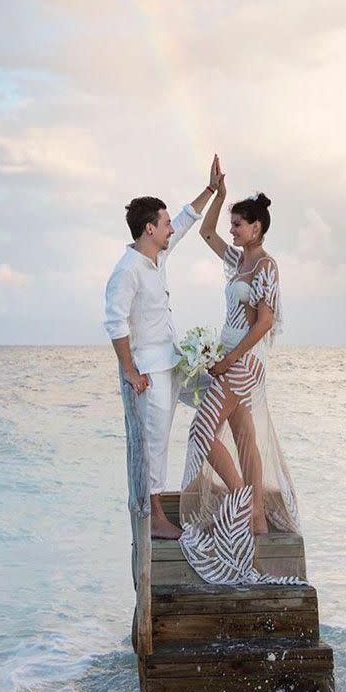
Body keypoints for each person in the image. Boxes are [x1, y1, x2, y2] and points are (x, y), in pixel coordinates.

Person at [178, 170, 302, 584]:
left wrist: (229, 357)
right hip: (227, 356)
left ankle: (241, 499)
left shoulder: (266, 266)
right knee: (245, 436)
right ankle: (257, 521)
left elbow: (265, 322)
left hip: (243, 361)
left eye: (238, 223)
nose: (230, 229)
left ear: (257, 227)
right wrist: (220, 194)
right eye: (232, 222)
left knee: (201, 430)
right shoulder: (236, 260)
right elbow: (205, 233)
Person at [104, 157, 221, 539]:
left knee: (216, 399)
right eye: (165, 223)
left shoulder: (159, 255)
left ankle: (217, 485)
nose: (171, 228)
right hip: (150, 371)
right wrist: (129, 371)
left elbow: (186, 221)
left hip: (175, 361)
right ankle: (154, 517)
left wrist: (211, 190)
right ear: (149, 228)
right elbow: (115, 323)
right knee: (155, 442)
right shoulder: (127, 269)